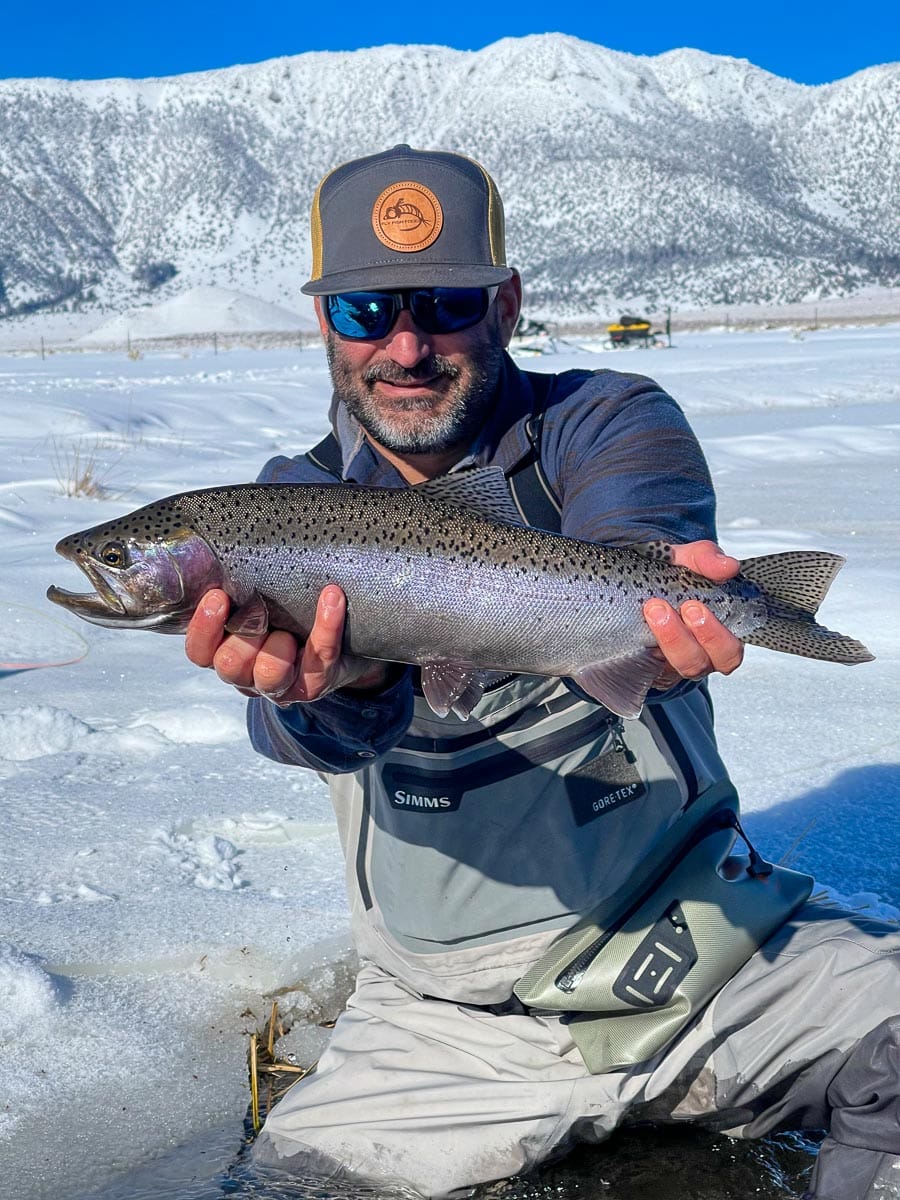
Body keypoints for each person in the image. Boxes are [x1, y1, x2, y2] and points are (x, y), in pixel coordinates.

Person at [185, 145, 899, 1200]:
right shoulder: (292, 506)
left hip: (700, 939)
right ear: (325, 327)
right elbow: (291, 732)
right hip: (443, 1026)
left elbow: (639, 521)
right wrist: (328, 691)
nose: (409, 347)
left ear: (507, 303)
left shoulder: (608, 420)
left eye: (448, 302)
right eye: (366, 314)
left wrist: (659, 612)